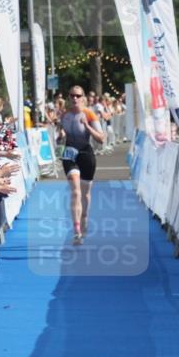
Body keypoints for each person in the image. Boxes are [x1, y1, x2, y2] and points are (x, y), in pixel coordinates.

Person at [59, 85, 105, 244]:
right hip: (69, 154)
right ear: (69, 97)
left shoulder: (89, 114)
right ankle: (76, 230)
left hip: (86, 154)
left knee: (85, 194)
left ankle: (84, 217)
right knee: (76, 192)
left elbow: (101, 138)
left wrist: (87, 126)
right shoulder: (64, 115)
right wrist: (60, 136)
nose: (75, 99)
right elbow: (61, 136)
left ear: (83, 98)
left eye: (78, 96)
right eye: (72, 95)